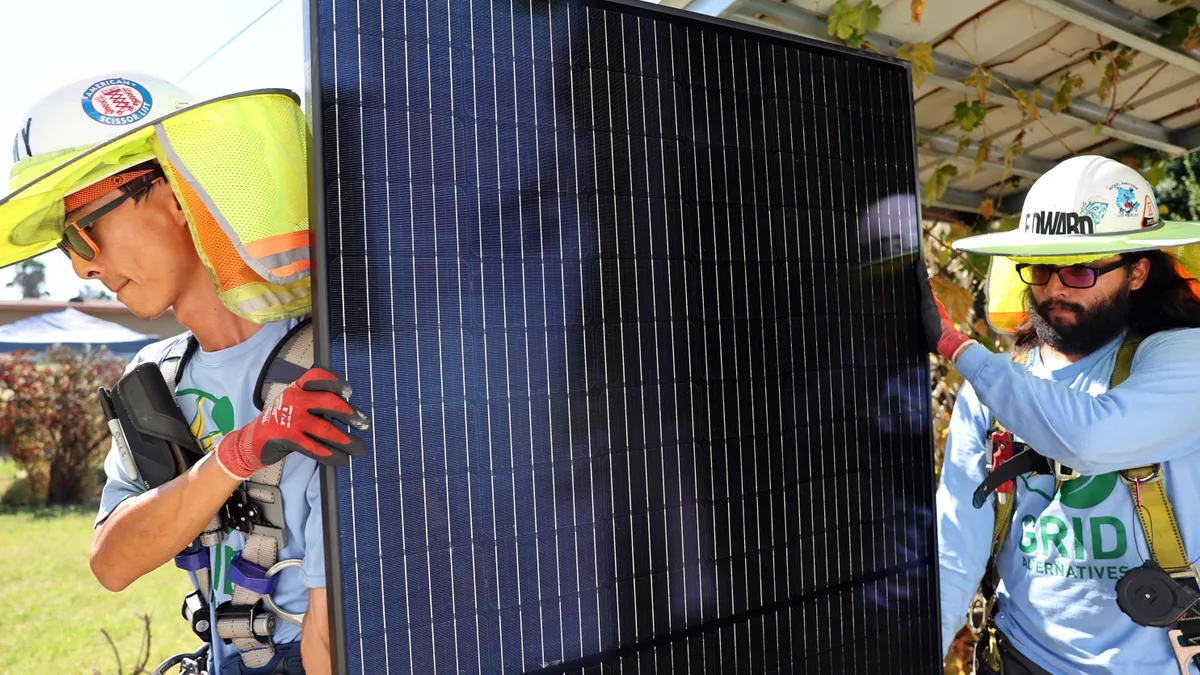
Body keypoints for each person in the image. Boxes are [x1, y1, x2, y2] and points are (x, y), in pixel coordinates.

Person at [0, 75, 370, 674]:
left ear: (176, 194)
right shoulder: (155, 378)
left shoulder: (327, 366)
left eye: (83, 231)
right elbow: (112, 562)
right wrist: (238, 452)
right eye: (65, 250)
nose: (84, 268)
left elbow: (330, 641)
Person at [926, 155, 1200, 674]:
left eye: (1079, 269)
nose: (1053, 288)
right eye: (1042, 268)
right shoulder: (993, 389)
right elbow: (954, 548)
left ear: (1137, 271)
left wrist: (959, 350)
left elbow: (1089, 437)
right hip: (1019, 659)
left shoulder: (1184, 359)